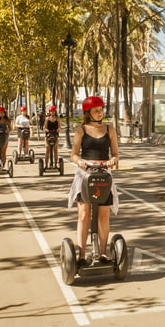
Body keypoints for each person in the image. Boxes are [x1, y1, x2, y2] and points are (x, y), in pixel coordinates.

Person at [68, 96, 119, 266]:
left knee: (103, 215)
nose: (100, 113)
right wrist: (79, 161)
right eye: (96, 110)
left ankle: (103, 253)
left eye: (101, 110)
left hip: (104, 174)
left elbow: (116, 154)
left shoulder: (110, 129)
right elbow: (73, 154)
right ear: (88, 112)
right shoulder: (81, 130)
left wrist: (113, 160)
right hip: (85, 174)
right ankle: (82, 254)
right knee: (84, 214)